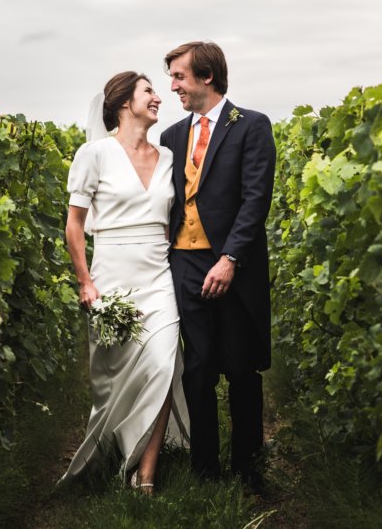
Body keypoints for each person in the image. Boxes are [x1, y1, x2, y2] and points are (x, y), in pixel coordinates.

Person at [60, 71, 189, 494]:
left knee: (163, 364)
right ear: (122, 103)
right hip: (112, 275)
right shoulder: (93, 154)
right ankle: (111, 451)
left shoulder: (169, 156)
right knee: (111, 377)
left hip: (159, 275)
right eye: (149, 91)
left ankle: (145, 475)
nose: (158, 98)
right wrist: (85, 280)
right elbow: (75, 226)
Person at [159, 42, 276, 489]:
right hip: (185, 263)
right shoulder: (171, 137)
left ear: (207, 77)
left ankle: (249, 470)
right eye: (170, 78)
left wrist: (230, 259)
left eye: (179, 77)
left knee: (241, 369)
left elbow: (255, 200)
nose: (173, 87)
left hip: (234, 267)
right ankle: (204, 471)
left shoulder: (251, 126)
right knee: (199, 367)